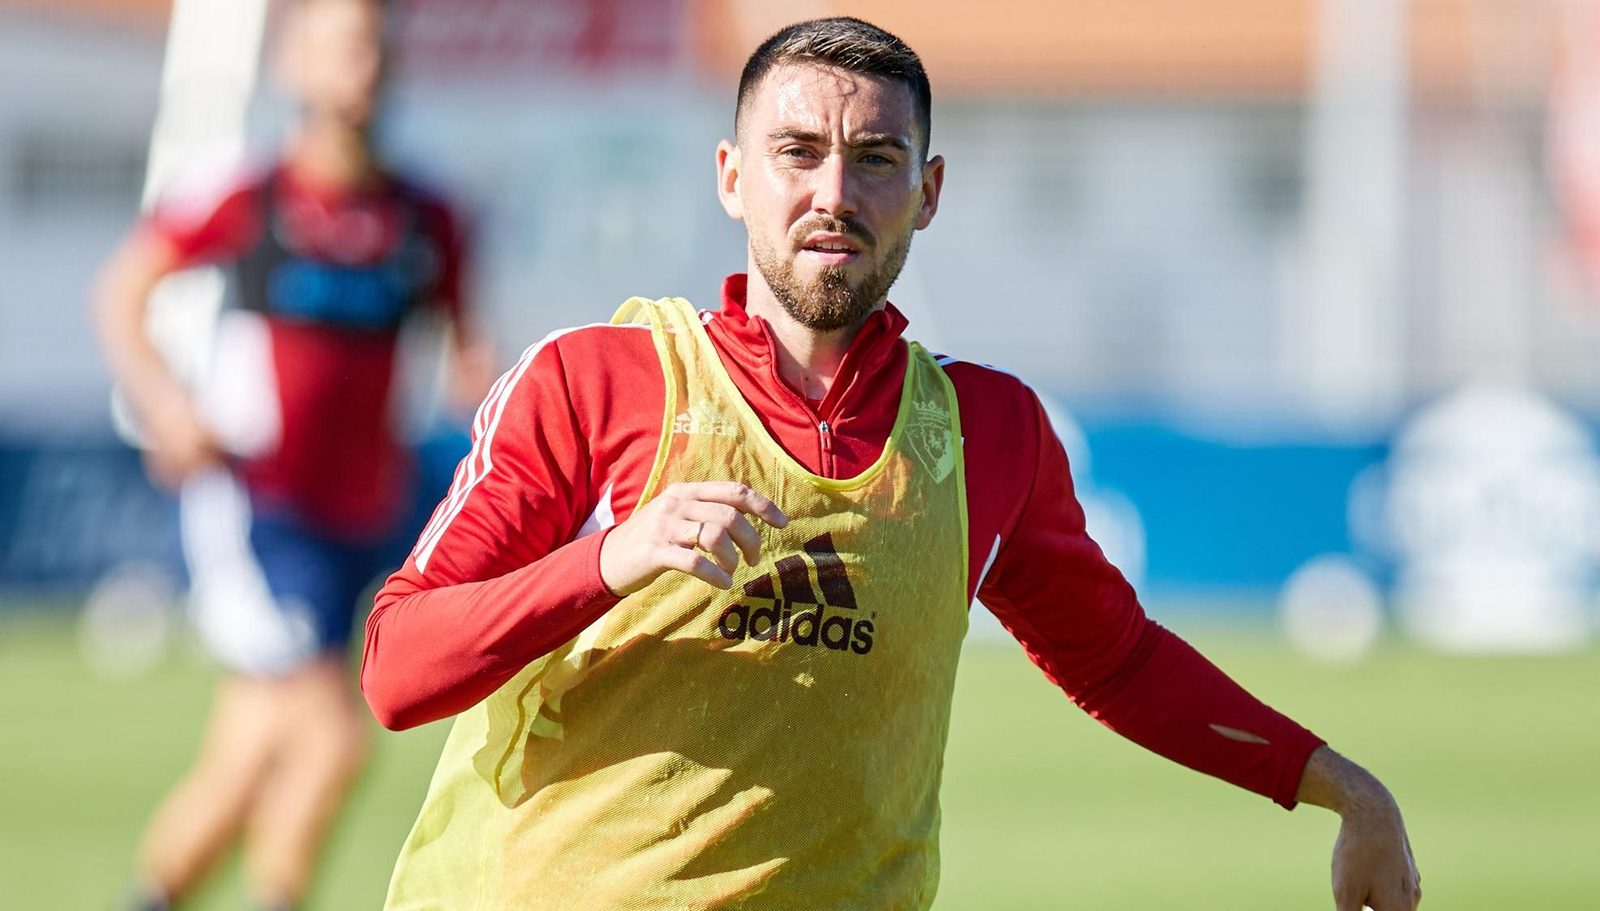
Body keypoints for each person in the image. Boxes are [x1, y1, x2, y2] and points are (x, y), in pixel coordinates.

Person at [361, 17, 1421, 911]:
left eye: (875, 158)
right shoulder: (598, 382)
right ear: (732, 179)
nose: (835, 190)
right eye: (798, 152)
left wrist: (1344, 788)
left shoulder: (987, 429)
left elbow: (1119, 660)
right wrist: (610, 557)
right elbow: (399, 669)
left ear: (928, 190)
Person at [92, 0, 491, 907]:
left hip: (371, 514)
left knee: (244, 763)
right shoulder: (252, 196)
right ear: (294, 68)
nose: (364, 66)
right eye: (343, 47)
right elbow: (122, 291)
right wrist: (166, 406)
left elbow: (473, 360)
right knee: (331, 739)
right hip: (263, 510)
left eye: (376, 48)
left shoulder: (428, 217)